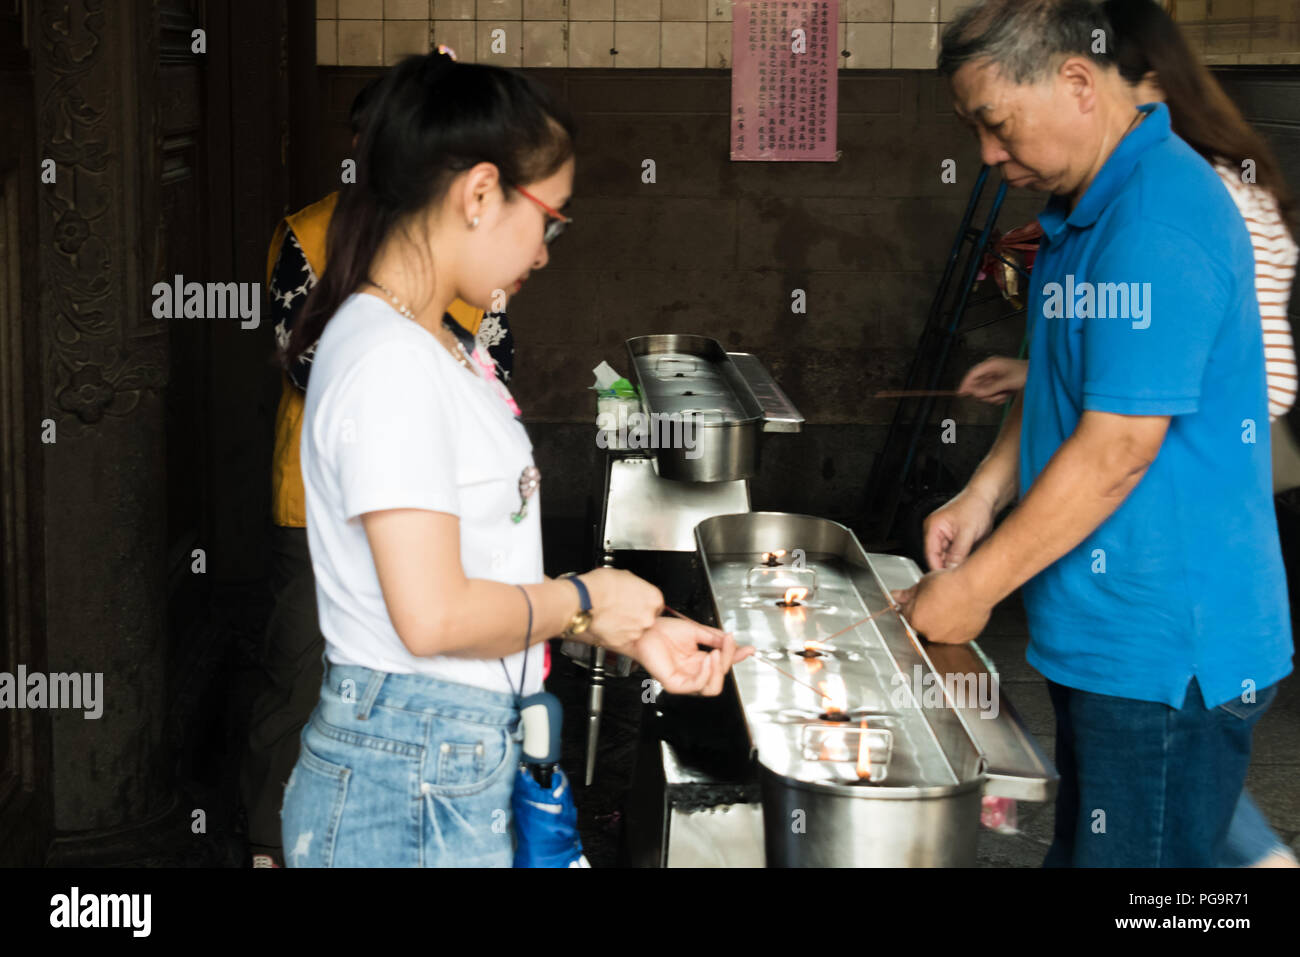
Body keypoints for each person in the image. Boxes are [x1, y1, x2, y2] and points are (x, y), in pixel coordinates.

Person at [277, 50, 748, 868]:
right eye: (551, 218)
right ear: (481, 192)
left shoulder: (441, 343)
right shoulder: (388, 358)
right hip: (407, 769)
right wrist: (581, 602)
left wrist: (628, 630)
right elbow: (432, 617)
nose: (546, 250)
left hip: (444, 751)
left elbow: (479, 570)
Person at [899, 0, 1292, 867]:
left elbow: (1117, 447)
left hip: (1167, 651)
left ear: (1077, 81)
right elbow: (1063, 386)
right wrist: (984, 493)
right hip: (1106, 634)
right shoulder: (1081, 212)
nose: (989, 157)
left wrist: (974, 592)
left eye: (996, 125)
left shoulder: (1154, 219)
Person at [240, 76, 518, 869]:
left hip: (438, 506)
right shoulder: (308, 234)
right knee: (299, 670)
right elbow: (309, 361)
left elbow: (498, 364)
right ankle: (269, 845)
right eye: (374, 141)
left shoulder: (470, 242)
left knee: (423, 676)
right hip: (320, 507)